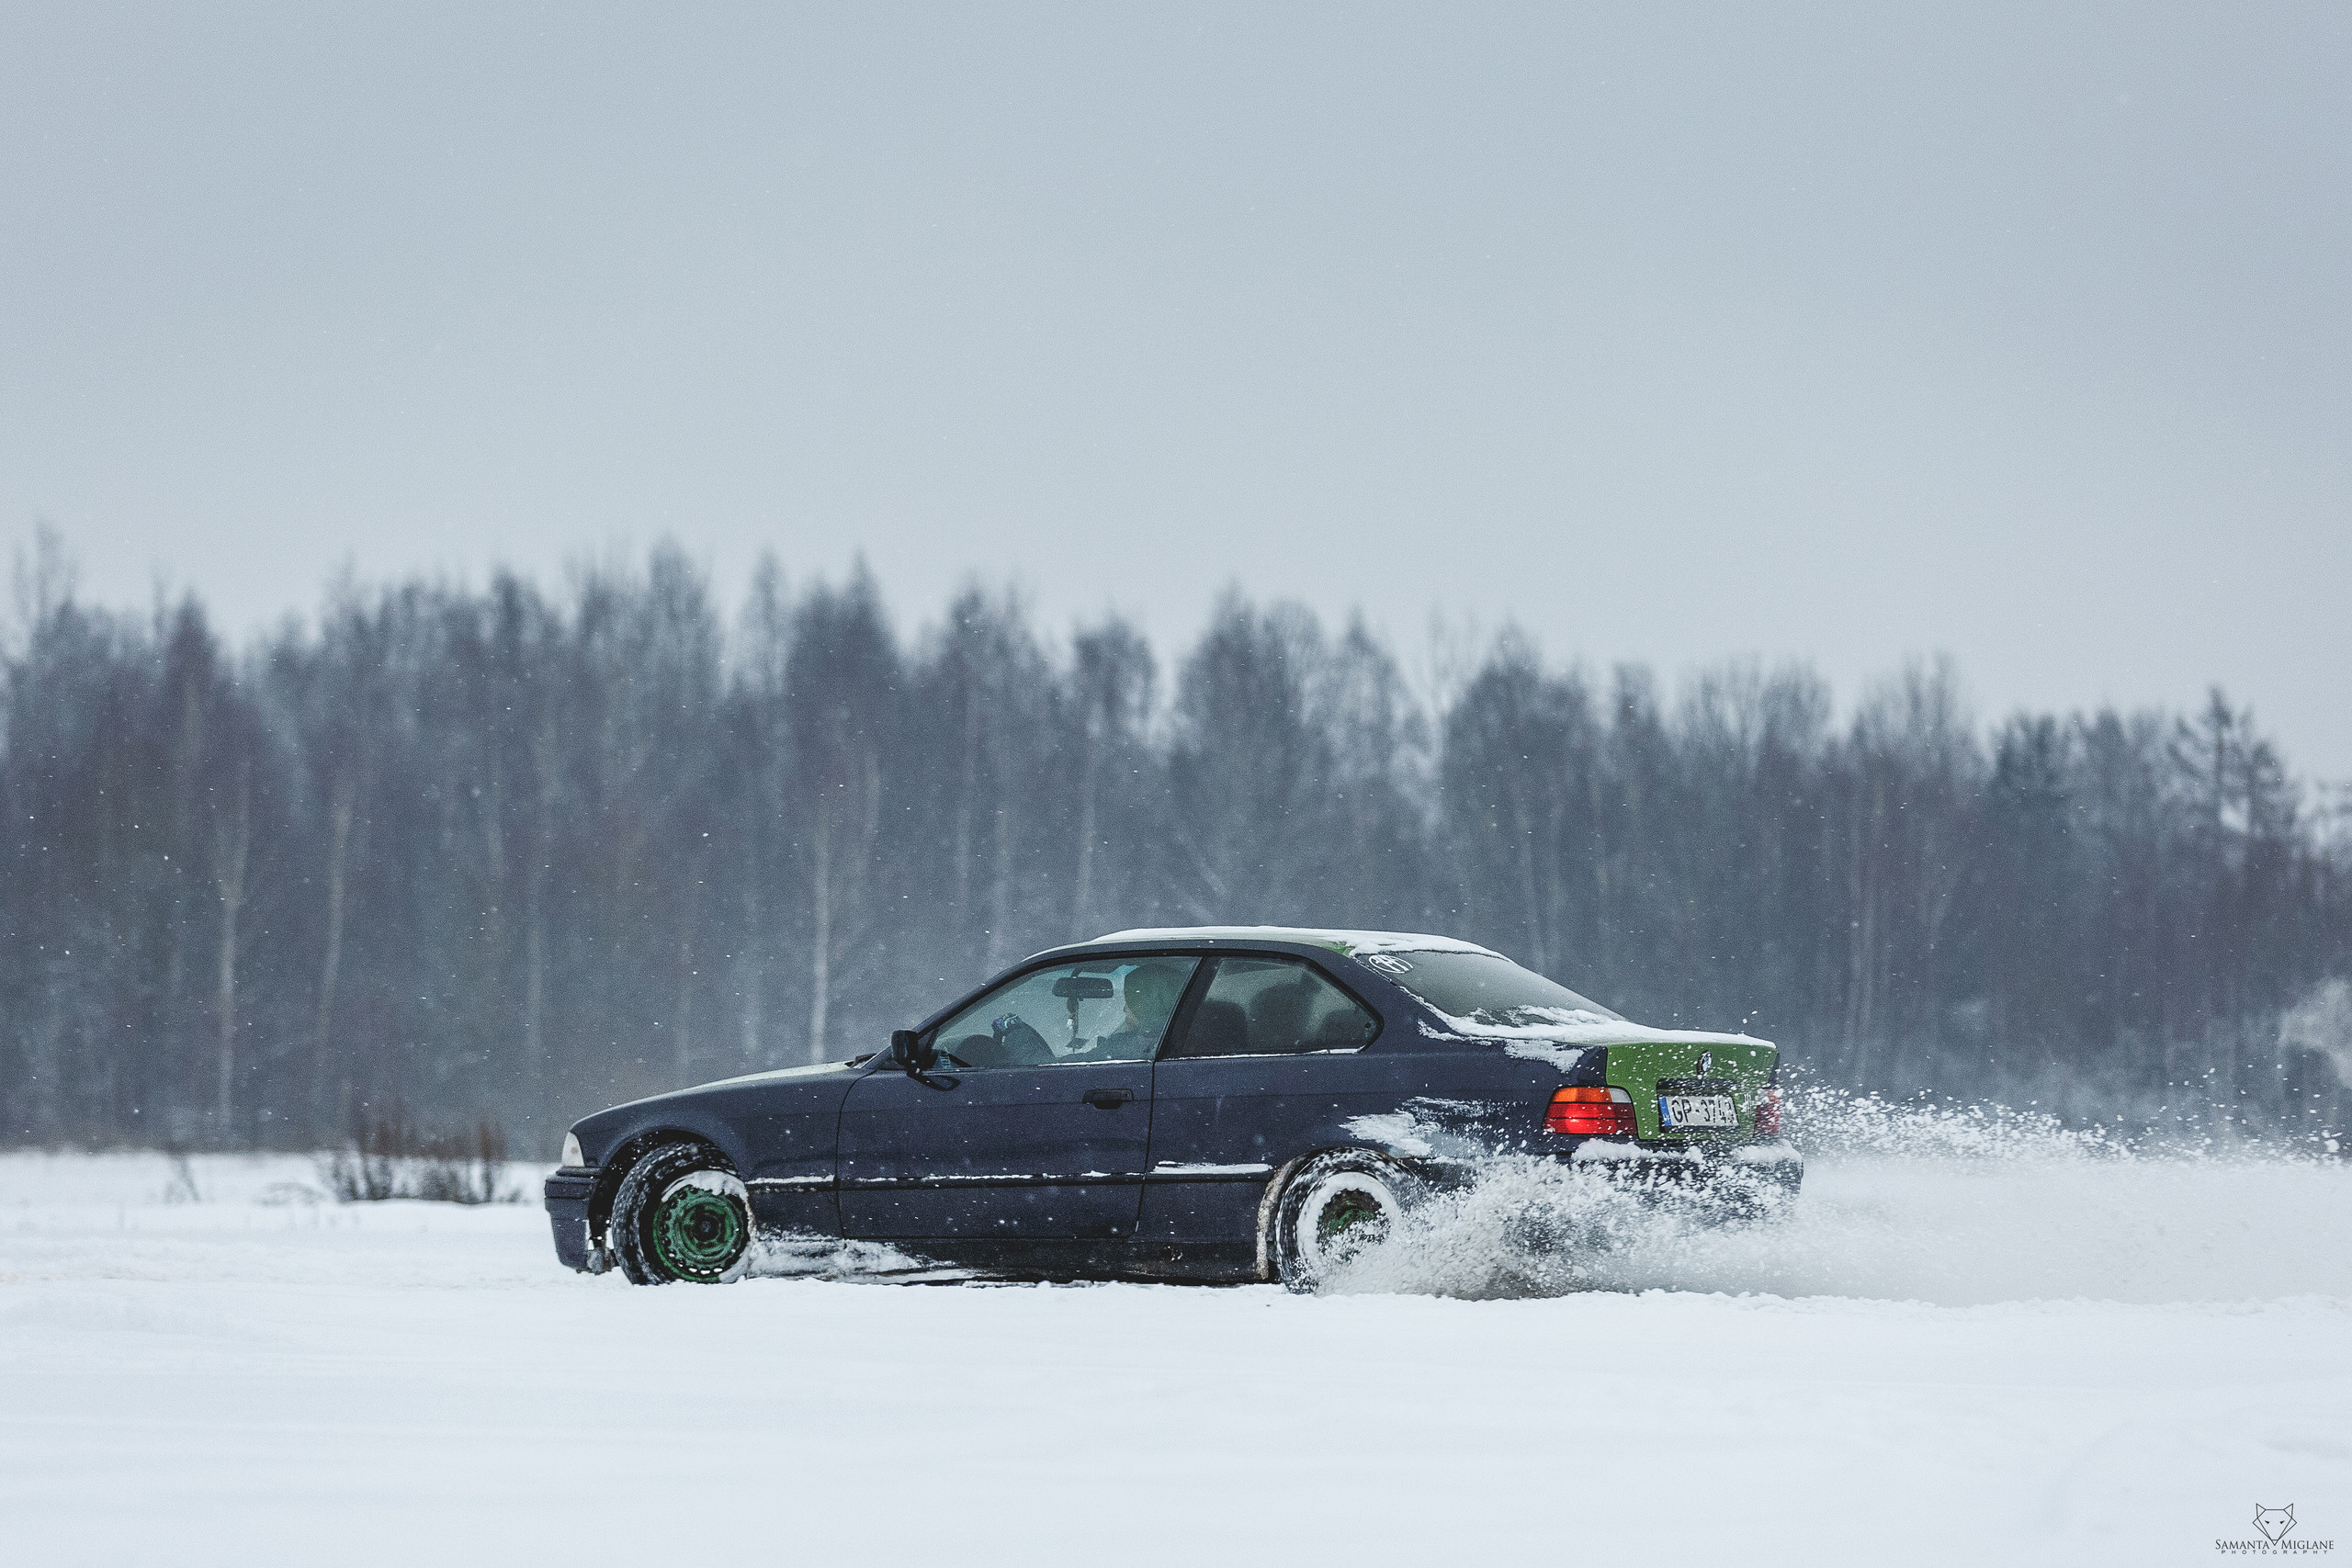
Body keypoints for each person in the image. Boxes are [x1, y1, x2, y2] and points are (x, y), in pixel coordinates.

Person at [1069, 963, 1188, 1060]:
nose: (1124, 1008)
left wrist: (1050, 1060)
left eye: (1131, 1001)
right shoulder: (1189, 1037)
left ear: (1146, 1003)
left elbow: (1085, 1062)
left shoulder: (1127, 1045)